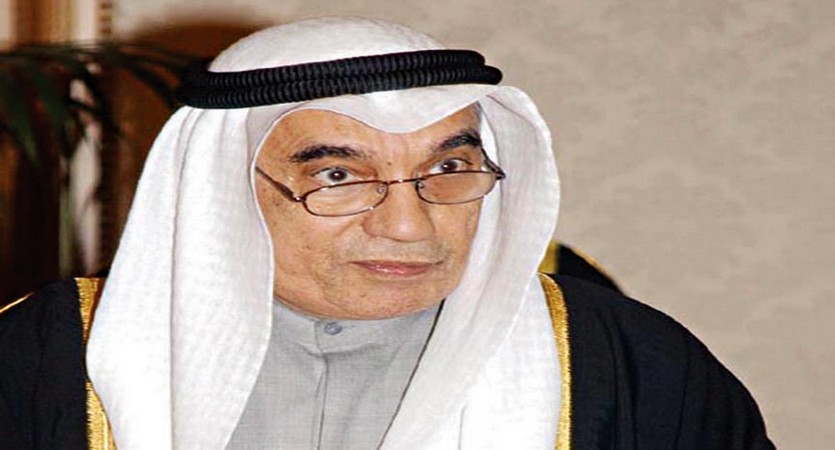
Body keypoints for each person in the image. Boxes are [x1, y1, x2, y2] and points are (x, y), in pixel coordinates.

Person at [0, 17, 775, 450]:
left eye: (449, 168)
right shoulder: (48, 357)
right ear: (221, 191)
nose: (409, 225)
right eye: (339, 175)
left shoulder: (629, 361)